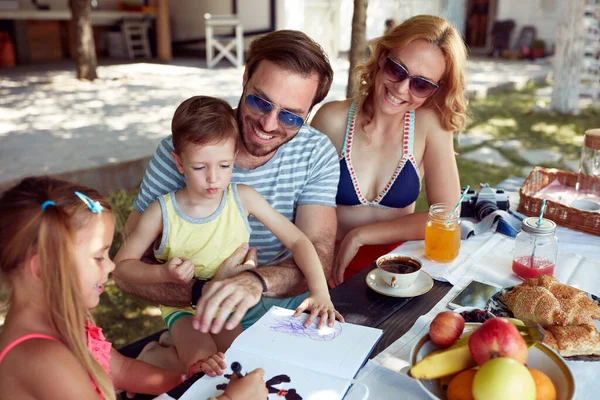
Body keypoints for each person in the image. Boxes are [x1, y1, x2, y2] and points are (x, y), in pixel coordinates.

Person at [115, 30, 340, 335]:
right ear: (245, 77)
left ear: (310, 111)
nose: (268, 124)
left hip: (289, 305)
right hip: (200, 312)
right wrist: (206, 292)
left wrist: (253, 282)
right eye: (260, 102)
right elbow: (127, 273)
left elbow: (316, 253)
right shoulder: (186, 153)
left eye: (291, 117)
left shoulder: (315, 153)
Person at [114, 96, 342, 373]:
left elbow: (298, 240)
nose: (213, 178)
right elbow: (123, 267)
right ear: (179, 163)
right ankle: (156, 358)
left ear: (234, 158)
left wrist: (320, 292)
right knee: (201, 361)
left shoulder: (243, 198)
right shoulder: (161, 212)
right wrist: (162, 275)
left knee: (236, 359)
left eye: (224, 166)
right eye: (200, 167)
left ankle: (165, 356)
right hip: (183, 306)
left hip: (227, 301)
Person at [0, 176, 268, 400]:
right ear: (44, 268)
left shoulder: (62, 320)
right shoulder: (43, 360)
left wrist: (188, 381)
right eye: (98, 257)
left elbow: (121, 369)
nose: (111, 267)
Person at [311, 15, 468, 285]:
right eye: (397, 69)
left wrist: (360, 235)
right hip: (329, 263)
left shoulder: (431, 126)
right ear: (382, 57)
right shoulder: (331, 120)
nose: (401, 88)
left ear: (435, 90)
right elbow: (300, 206)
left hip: (398, 269)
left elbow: (447, 218)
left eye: (421, 84)